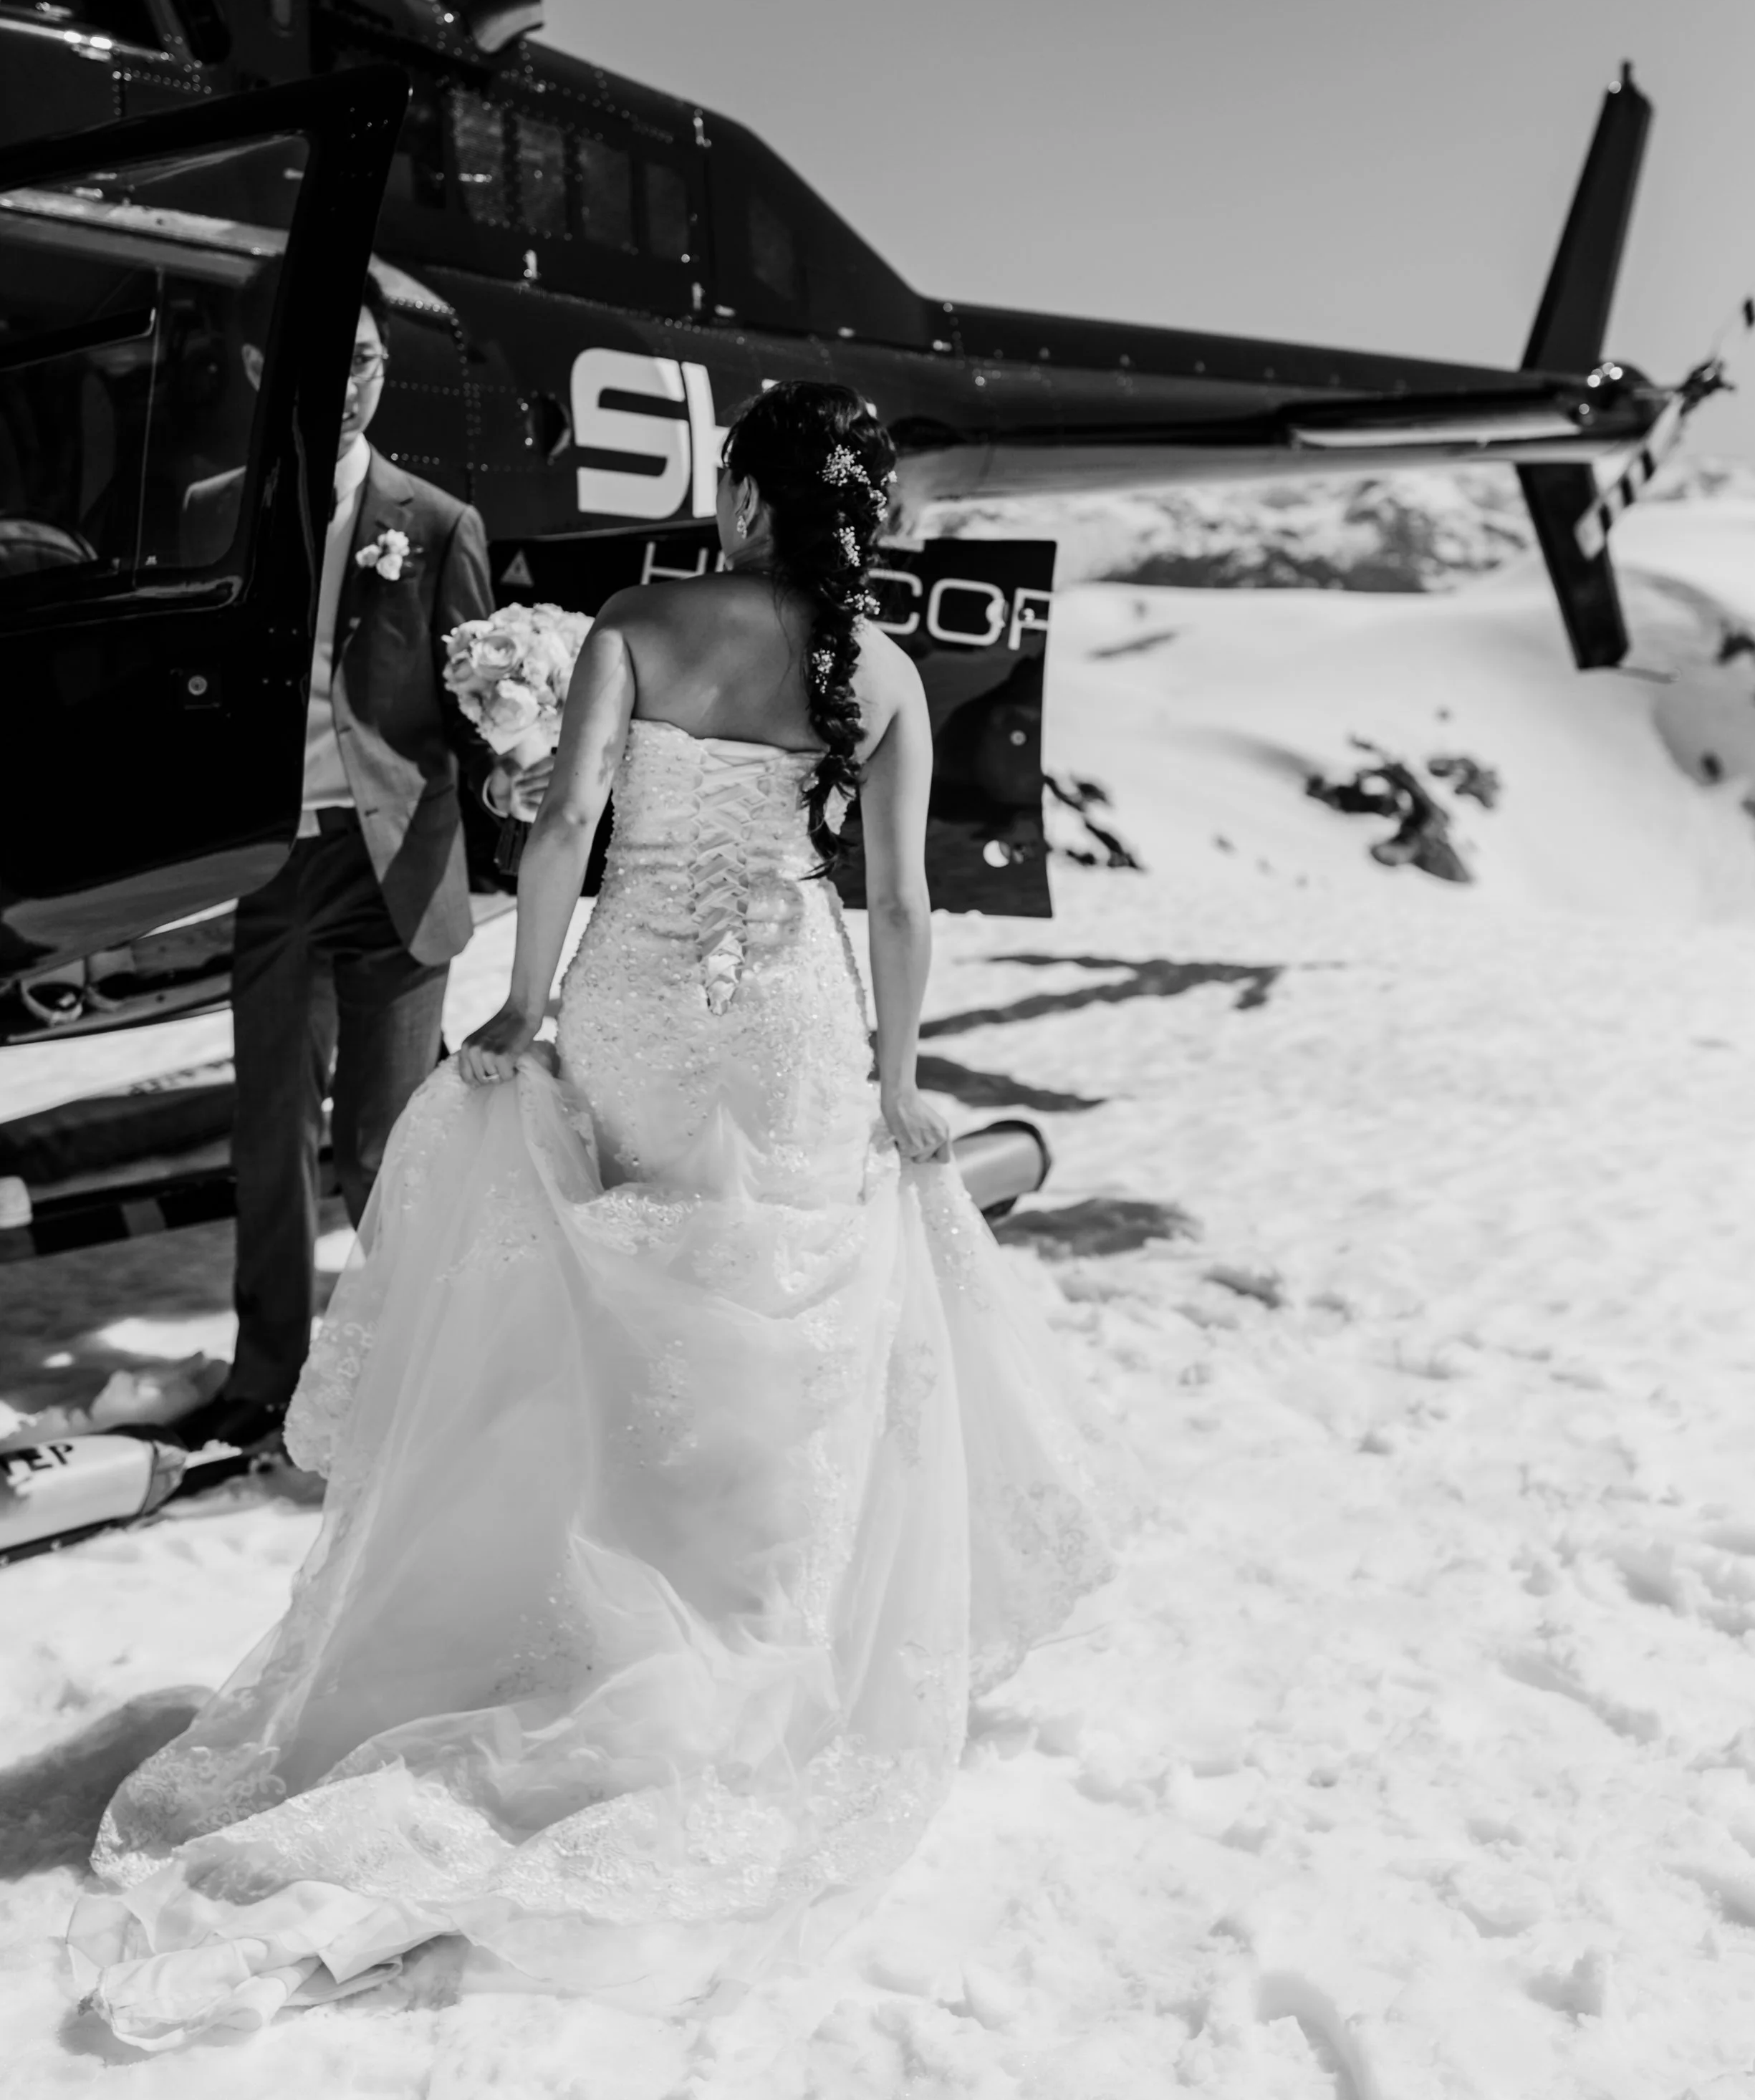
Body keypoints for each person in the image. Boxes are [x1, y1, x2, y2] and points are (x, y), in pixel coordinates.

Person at [71, 382, 1123, 2044]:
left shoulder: (639, 621)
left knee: (624, 1309)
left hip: (636, 1001)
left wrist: (521, 1006)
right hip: (786, 1020)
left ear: (751, 499)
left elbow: (564, 825)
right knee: (772, 1331)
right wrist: (902, 1078)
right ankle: (738, 1650)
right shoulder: (885, 673)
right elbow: (902, 901)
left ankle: (590, 1621)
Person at [175, 282, 494, 1455]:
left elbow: (479, 704)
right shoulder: (216, 510)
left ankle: (420, 1375)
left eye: (366, 358)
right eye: (326, 358)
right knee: (268, 1132)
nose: (351, 380)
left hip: (395, 862)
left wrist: (513, 796)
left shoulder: (439, 522)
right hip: (270, 862)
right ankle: (267, 1376)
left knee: (379, 1142)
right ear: (265, 367)